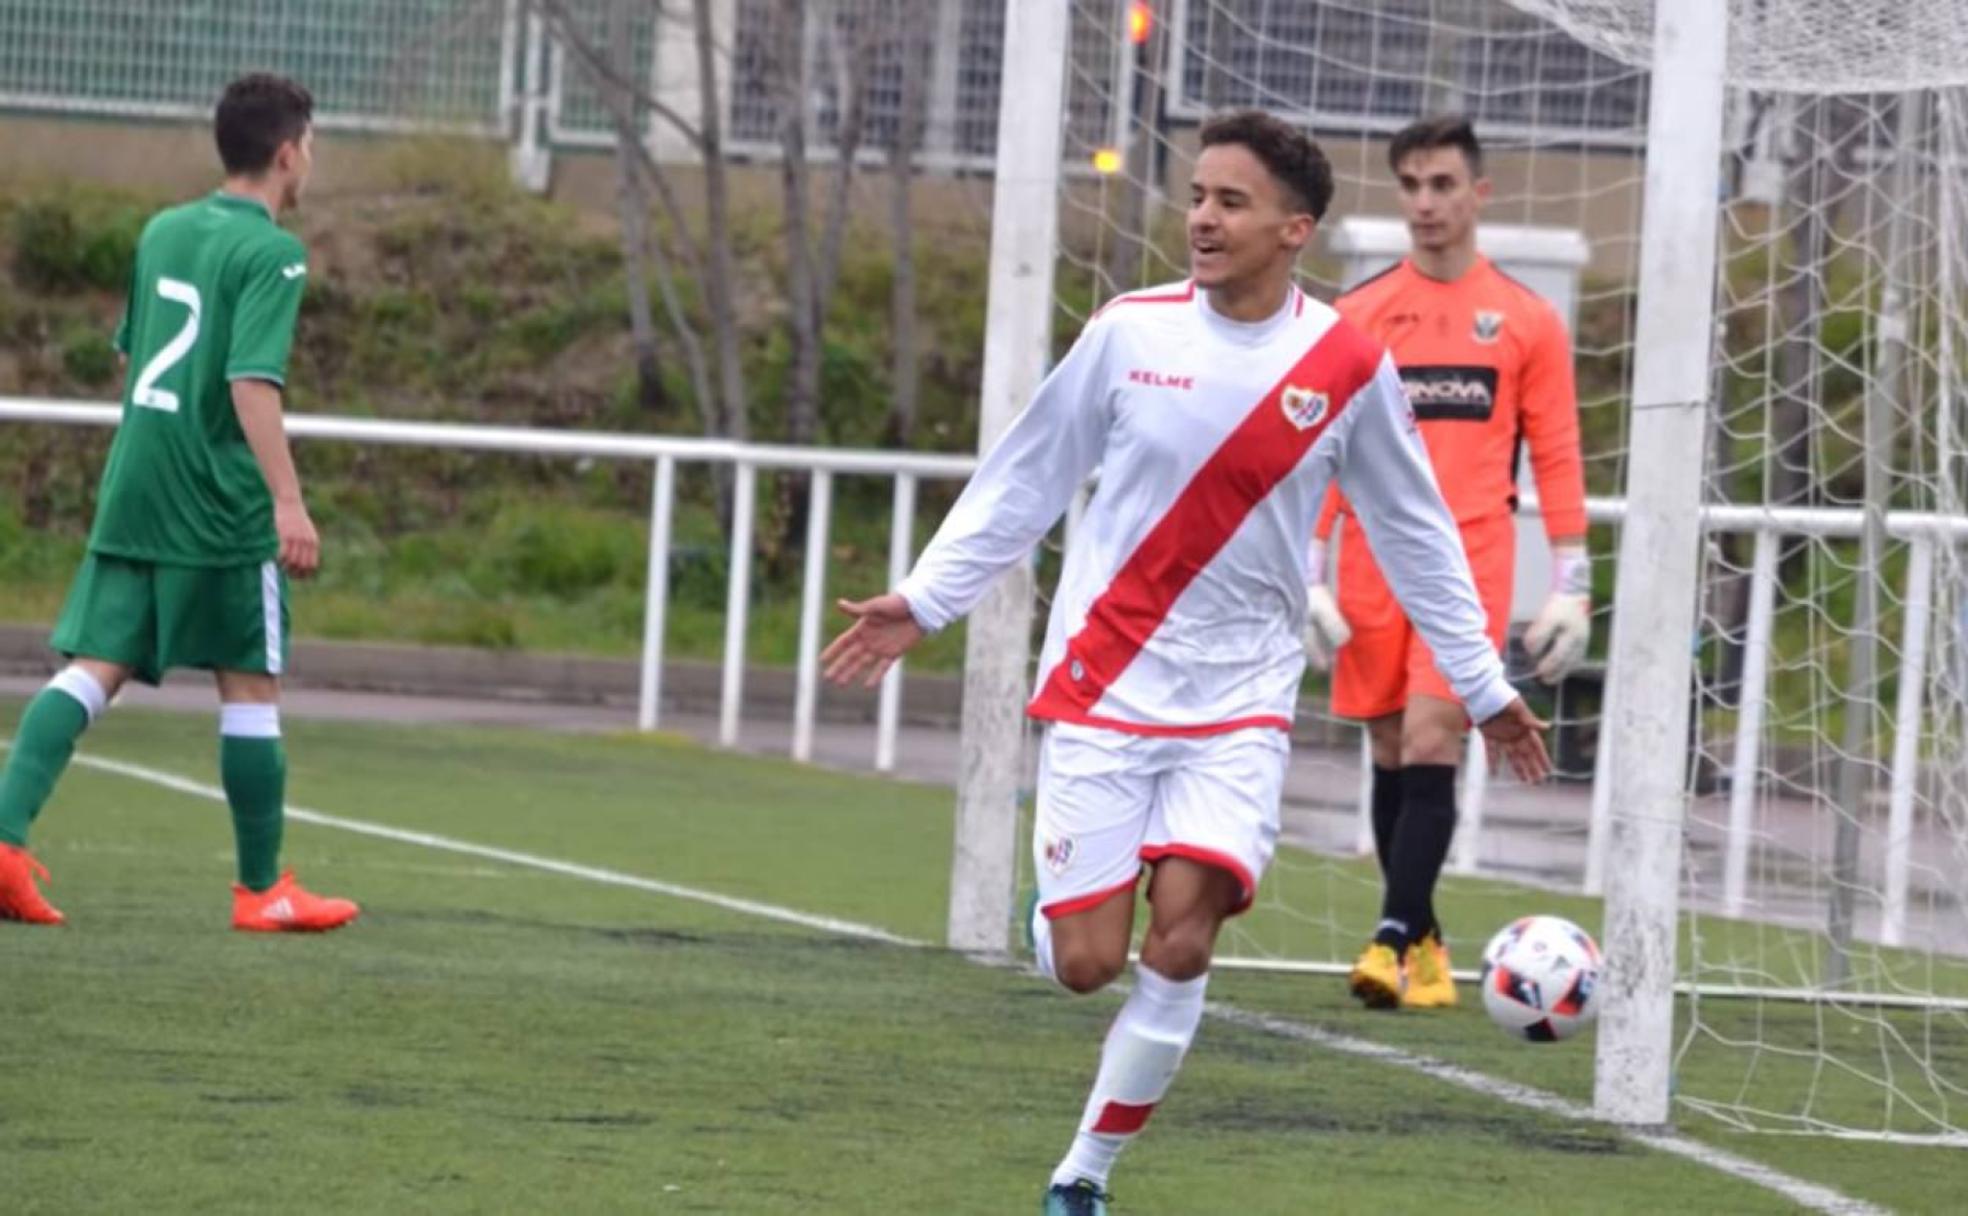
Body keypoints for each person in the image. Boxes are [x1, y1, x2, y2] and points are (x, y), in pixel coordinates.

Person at [821, 109, 1550, 1215]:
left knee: (1188, 930)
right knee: (1085, 964)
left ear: (1294, 229)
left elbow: (1417, 533)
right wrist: (926, 600)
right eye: (1198, 196)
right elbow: (1027, 475)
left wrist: (1487, 688)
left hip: (1242, 700)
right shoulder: (1129, 332)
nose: (1201, 219)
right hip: (1108, 681)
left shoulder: (1347, 362)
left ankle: (1084, 1175)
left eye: (1230, 202)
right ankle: (1060, 910)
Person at [0, 74, 357, 934]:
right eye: (308, 145)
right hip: (217, 504)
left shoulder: (164, 229)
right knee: (250, 682)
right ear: (285, 153)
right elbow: (250, 380)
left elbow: (132, 359)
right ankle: (261, 887)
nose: (310, 161)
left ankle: (3, 844)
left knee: (95, 666)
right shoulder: (272, 252)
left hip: (137, 486)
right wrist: (288, 503)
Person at [1301, 116, 1589, 1012]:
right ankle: (1424, 942)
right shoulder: (1360, 317)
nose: (1427, 203)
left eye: (1444, 185)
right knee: (1390, 748)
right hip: (1369, 568)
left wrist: (1572, 584)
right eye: (1412, 186)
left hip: (1471, 564)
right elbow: (1327, 449)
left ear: (1478, 194)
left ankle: (1386, 941)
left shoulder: (1526, 321)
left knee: (1434, 737)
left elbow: (1557, 454)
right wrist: (1310, 569)